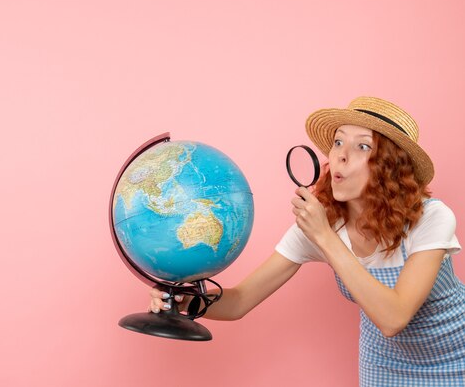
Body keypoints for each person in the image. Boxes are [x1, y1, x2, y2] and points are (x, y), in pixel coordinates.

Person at [149, 97, 465, 386]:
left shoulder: (431, 219)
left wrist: (325, 238)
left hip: (456, 357)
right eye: (338, 142)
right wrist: (186, 302)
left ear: (391, 169)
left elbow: (394, 317)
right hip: (383, 363)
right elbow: (240, 301)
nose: (340, 154)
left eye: (362, 147)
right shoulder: (319, 226)